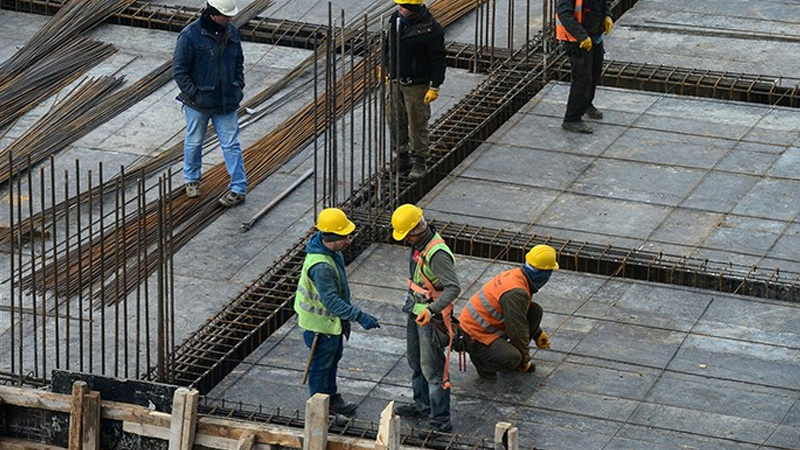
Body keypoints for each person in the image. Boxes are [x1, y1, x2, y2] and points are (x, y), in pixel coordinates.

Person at [294, 208, 381, 416]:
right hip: (320, 326)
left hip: (331, 324)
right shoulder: (321, 266)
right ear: (331, 239)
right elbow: (331, 301)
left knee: (331, 361)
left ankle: (331, 399)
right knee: (320, 367)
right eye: (345, 237)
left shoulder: (331, 251)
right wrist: (359, 316)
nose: (349, 240)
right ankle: (320, 410)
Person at [391, 204, 460, 433]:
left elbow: (453, 288)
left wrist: (431, 311)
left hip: (428, 314)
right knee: (415, 360)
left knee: (433, 369)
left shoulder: (436, 253)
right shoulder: (420, 243)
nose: (405, 240)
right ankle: (422, 403)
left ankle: (440, 420)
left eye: (406, 235)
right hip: (415, 308)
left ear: (414, 231)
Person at [172, 0, 248, 207]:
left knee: (231, 144)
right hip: (199, 103)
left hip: (227, 101)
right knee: (194, 141)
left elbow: (238, 61)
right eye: (226, 16)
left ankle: (239, 188)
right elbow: (179, 70)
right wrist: (195, 94)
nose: (230, 19)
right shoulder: (190, 36)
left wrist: (237, 85)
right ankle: (192, 180)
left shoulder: (231, 32)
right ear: (213, 15)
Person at [459, 245, 558, 380]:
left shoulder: (518, 275)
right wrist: (524, 360)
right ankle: (482, 362)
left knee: (535, 311)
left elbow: (519, 316)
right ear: (544, 273)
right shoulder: (516, 292)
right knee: (512, 358)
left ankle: (505, 353)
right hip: (474, 335)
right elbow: (517, 330)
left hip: (486, 327)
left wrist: (537, 333)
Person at [382, 0, 446, 180]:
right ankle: (401, 157)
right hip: (395, 81)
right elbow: (388, 46)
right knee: (394, 118)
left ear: (413, 8)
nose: (398, 9)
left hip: (416, 85)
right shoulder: (395, 20)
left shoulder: (431, 30)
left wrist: (435, 86)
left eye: (402, 7)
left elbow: (438, 60)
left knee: (417, 122)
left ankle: (420, 161)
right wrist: (386, 67)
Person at [556, 0, 614, 134]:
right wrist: (582, 36)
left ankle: (586, 104)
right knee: (583, 79)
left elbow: (603, 3)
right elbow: (564, 14)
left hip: (595, 36)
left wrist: (607, 15)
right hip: (577, 40)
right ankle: (572, 119)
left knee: (594, 73)